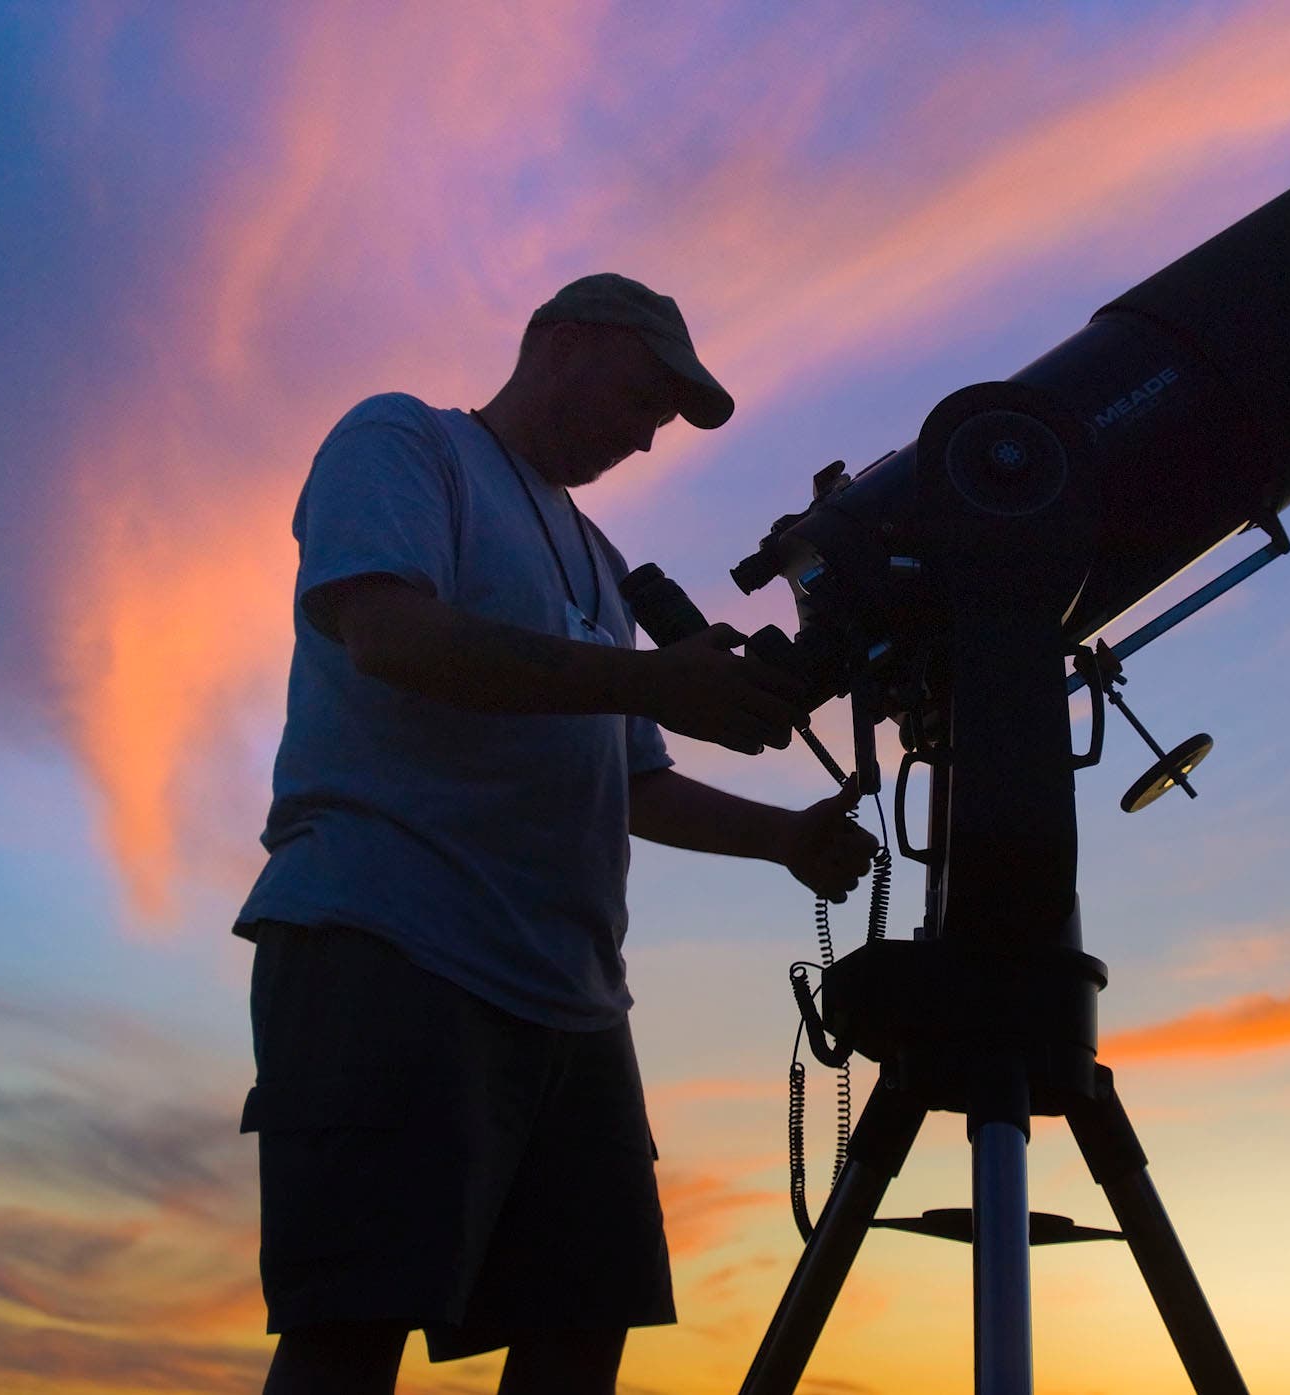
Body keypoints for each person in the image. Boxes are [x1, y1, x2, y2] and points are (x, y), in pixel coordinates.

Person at [232, 272, 880, 1395]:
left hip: (570, 1001)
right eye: (643, 399)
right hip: (391, 942)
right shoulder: (403, 442)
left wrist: (787, 841)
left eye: (664, 422)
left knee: (584, 1327)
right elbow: (391, 635)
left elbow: (631, 781)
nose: (646, 438)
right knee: (356, 1322)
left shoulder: (599, 559)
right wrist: (649, 678)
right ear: (562, 342)